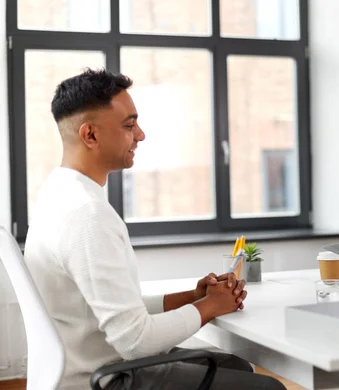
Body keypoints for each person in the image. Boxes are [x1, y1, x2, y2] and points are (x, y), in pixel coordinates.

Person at [23, 68, 286, 390]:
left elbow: (111, 310)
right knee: (268, 388)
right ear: (90, 135)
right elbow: (135, 341)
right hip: (106, 378)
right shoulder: (87, 215)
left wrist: (192, 296)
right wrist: (210, 306)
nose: (141, 135)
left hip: (81, 365)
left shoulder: (58, 193)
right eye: (129, 125)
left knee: (235, 365)